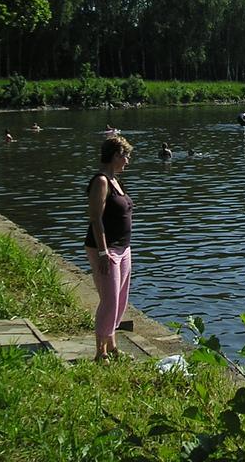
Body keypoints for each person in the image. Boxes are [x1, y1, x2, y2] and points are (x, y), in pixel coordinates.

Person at [84, 135, 135, 362]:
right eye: (126, 156)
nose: (128, 161)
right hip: (106, 249)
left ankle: (112, 345)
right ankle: (100, 352)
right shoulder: (101, 181)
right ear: (115, 155)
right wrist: (104, 252)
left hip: (123, 248)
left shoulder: (116, 180)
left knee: (121, 298)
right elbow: (96, 218)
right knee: (110, 299)